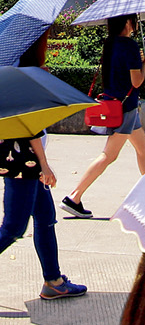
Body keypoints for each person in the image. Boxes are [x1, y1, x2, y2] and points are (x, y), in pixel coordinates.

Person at [0, 34, 87, 300]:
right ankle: (53, 280)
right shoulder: (23, 79)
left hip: (21, 165)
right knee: (14, 228)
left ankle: (53, 281)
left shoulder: (13, 75)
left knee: (46, 219)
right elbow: (32, 131)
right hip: (24, 166)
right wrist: (45, 167)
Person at [63, 14, 145, 218]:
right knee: (109, 155)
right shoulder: (129, 45)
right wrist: (144, 66)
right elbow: (136, 81)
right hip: (125, 108)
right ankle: (74, 197)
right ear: (127, 22)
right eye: (134, 20)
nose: (136, 24)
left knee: (143, 148)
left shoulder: (110, 44)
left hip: (117, 105)